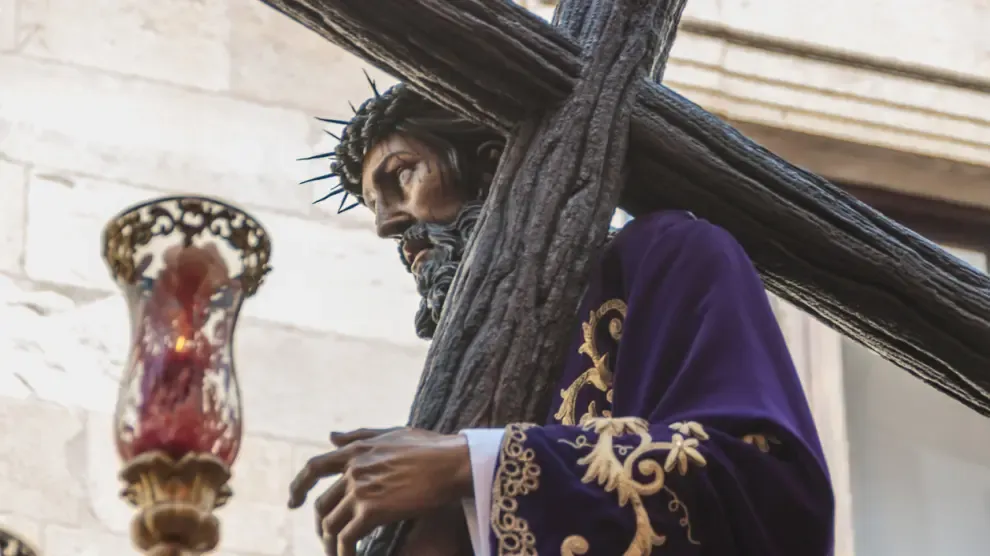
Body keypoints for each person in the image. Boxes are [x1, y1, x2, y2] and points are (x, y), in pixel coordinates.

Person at [287, 83, 835, 556]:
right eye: (372, 203)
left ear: (490, 163)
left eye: (401, 177)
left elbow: (765, 488)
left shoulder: (666, 255)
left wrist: (472, 465)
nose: (385, 225)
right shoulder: (475, 381)